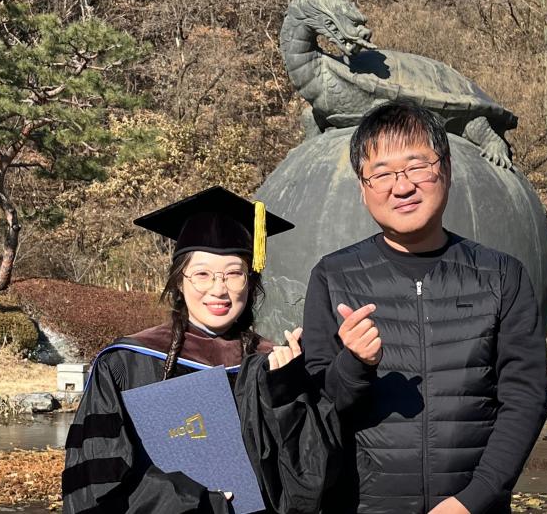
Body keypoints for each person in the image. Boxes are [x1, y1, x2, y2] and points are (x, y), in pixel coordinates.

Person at [302, 101, 547, 514]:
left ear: (446, 169)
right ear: (363, 188)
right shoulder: (334, 277)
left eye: (417, 166)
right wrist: (354, 364)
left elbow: (525, 400)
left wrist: (474, 500)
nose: (402, 187)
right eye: (382, 173)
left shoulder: (502, 275)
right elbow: (316, 408)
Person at [62, 186, 340, 514]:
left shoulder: (273, 363)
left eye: (234, 274)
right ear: (179, 281)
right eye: (202, 274)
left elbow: (311, 483)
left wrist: (287, 396)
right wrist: (197, 501)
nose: (218, 289)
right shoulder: (126, 362)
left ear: (251, 283)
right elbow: (95, 484)